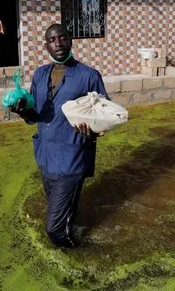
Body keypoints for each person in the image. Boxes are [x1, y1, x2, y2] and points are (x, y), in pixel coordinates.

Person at [9, 24, 108, 248]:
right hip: (45, 157)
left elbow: (105, 114)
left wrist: (92, 130)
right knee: (64, 212)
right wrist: (22, 110)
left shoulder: (88, 76)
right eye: (52, 40)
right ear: (46, 46)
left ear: (70, 41)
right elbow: (35, 116)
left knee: (54, 229)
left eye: (62, 38)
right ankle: (73, 229)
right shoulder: (40, 74)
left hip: (72, 158)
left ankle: (76, 256)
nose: (58, 44)